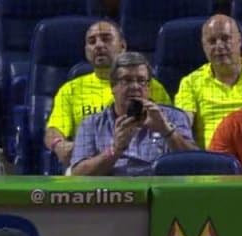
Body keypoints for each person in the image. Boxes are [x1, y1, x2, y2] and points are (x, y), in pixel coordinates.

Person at [45, 21, 172, 167]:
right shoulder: (72, 89)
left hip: (143, 163)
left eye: (106, 39)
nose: (98, 45)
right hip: (91, 165)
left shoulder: (149, 86)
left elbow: (168, 124)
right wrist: (58, 144)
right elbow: (54, 129)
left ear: (122, 46)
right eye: (92, 41)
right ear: (86, 50)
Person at [70, 52, 195, 176]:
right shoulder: (91, 124)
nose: (135, 86)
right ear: (113, 86)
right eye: (127, 80)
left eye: (141, 81)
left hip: (160, 190)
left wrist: (167, 132)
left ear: (148, 87)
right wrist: (115, 149)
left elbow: (194, 165)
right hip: (114, 193)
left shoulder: (174, 117)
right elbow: (78, 173)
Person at [174, 15, 242, 148]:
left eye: (225, 39)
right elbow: (182, 129)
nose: (219, 46)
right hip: (212, 162)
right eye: (212, 41)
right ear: (204, 46)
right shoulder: (190, 83)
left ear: (239, 40)